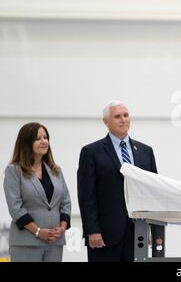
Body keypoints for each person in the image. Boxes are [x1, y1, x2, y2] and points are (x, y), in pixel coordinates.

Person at [77, 100, 159, 262]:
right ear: (106, 122)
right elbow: (86, 195)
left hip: (137, 232)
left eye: (126, 115)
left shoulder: (145, 152)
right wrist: (92, 230)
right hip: (104, 235)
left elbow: (153, 192)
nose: (123, 120)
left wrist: (153, 231)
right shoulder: (91, 152)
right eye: (117, 116)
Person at [3, 122, 71, 262]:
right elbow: (15, 207)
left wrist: (62, 228)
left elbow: (66, 202)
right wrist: (38, 231)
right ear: (27, 142)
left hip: (55, 242)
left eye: (45, 137)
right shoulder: (14, 170)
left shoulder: (56, 170)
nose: (43, 141)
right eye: (38, 138)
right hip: (26, 242)